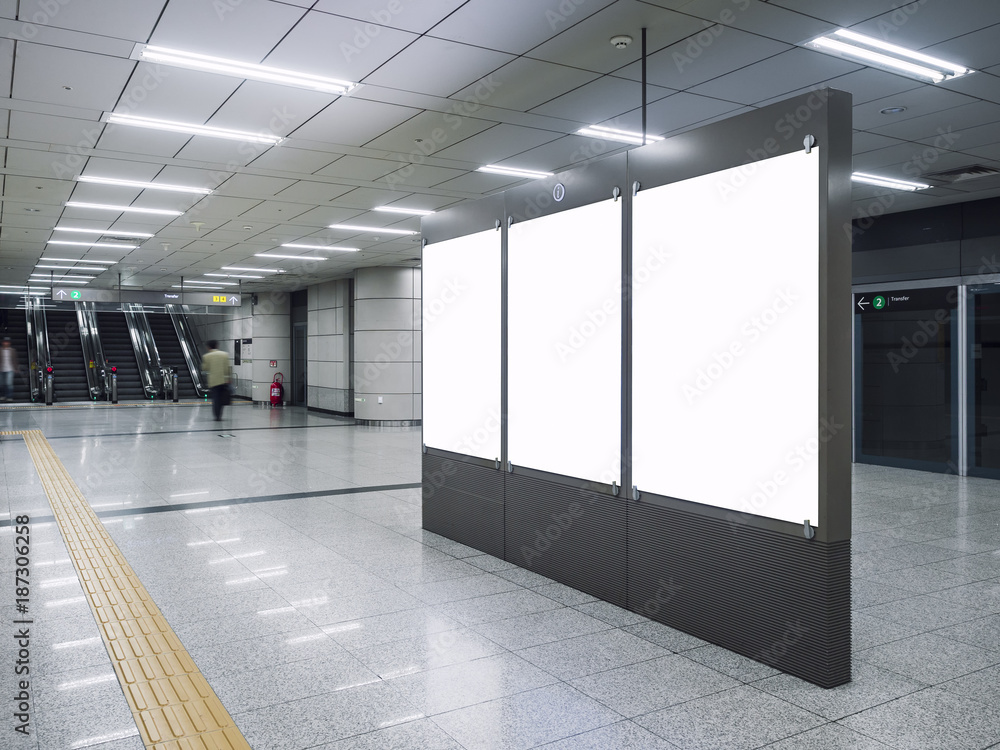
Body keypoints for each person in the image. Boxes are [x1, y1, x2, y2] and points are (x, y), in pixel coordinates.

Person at [200, 340, 231, 421]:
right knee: (222, 397)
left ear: (208, 347)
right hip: (223, 380)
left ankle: (217, 415)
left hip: (213, 381)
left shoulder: (206, 356)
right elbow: (228, 368)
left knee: (216, 398)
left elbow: (204, 368)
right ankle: (220, 414)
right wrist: (229, 378)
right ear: (217, 346)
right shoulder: (224, 355)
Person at [0, 337, 17, 402]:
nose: (6, 343)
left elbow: (15, 360)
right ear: (2, 343)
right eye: (5, 342)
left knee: (9, 384)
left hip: (10, 369)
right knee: (1, 384)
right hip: (1, 369)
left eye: (7, 342)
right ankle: (2, 396)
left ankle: (9, 396)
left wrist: (16, 368)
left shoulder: (12, 350)